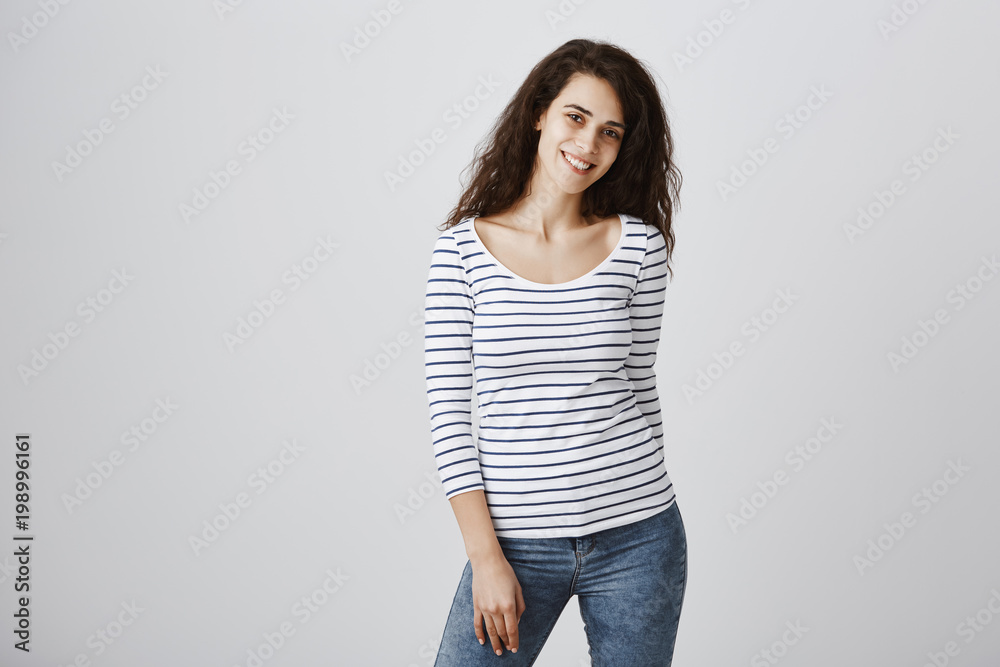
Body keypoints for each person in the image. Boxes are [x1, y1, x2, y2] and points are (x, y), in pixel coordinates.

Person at [423, 38, 685, 666]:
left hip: (640, 537)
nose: (588, 144)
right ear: (539, 113)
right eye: (576, 117)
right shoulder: (462, 252)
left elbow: (639, 386)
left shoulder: (640, 249)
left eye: (611, 132)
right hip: (517, 544)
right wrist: (487, 559)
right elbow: (448, 414)